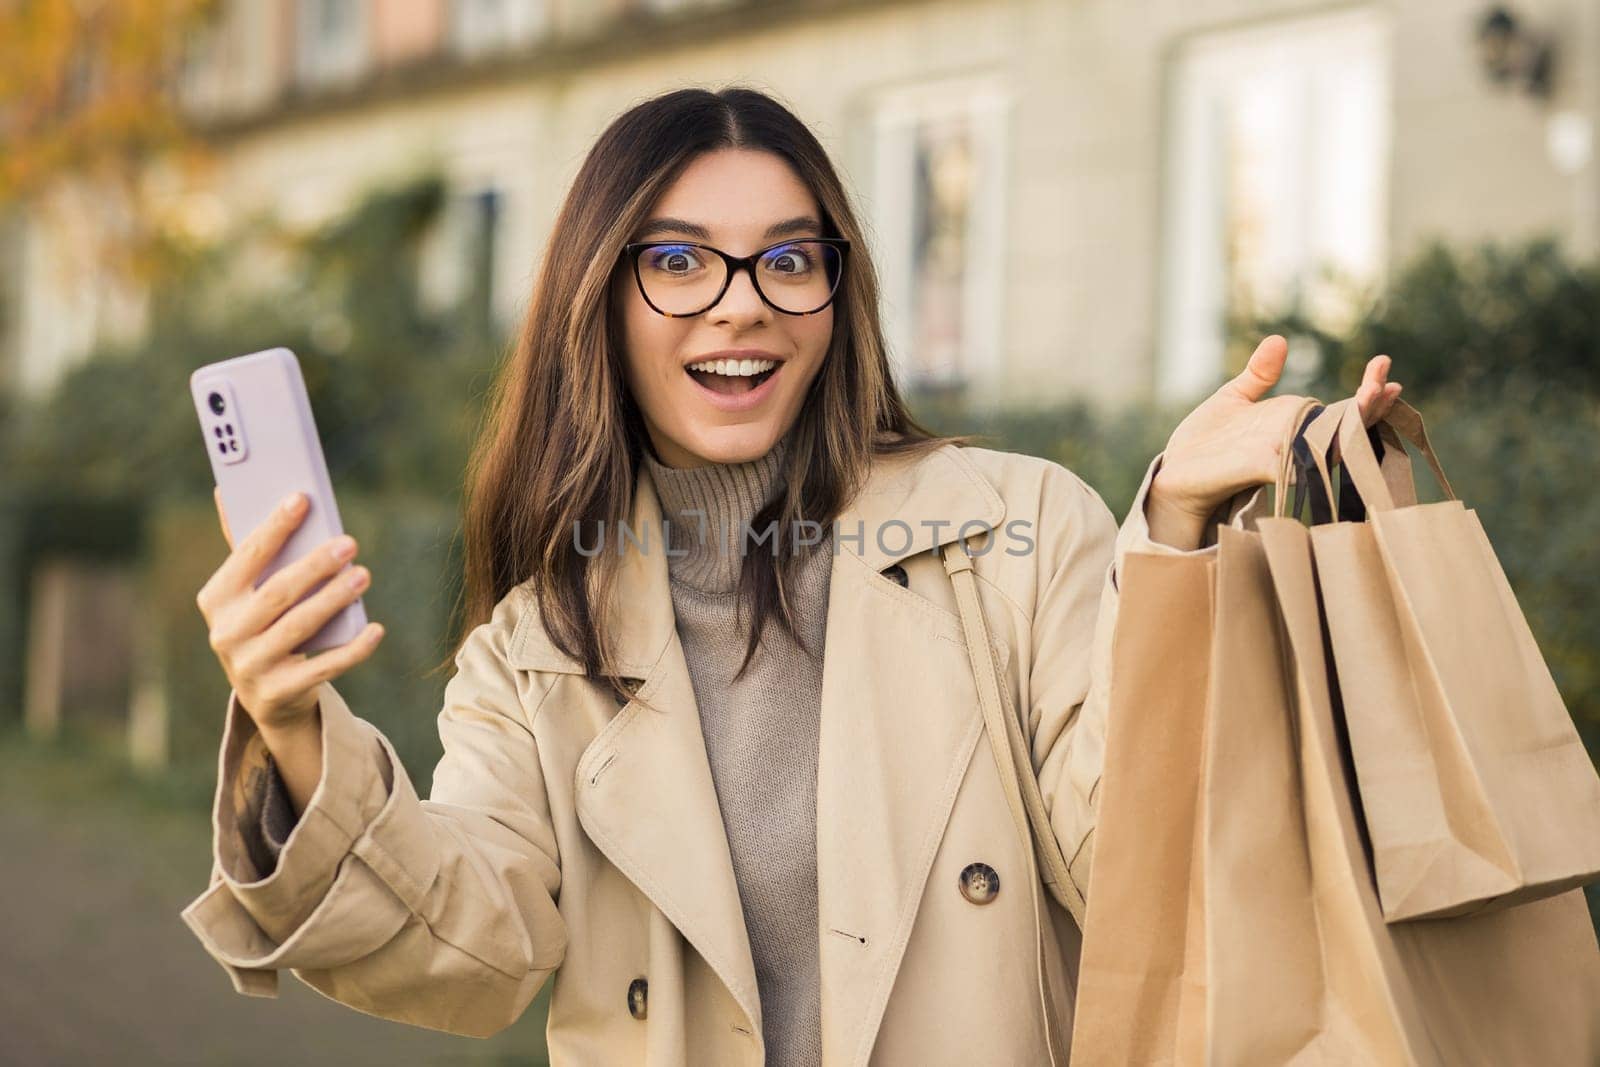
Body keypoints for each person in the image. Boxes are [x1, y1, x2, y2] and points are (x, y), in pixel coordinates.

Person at [182, 86, 1402, 1065]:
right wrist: (295, 729)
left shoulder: (1015, 523)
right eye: (679, 261)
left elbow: (1142, 866)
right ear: (597, 300)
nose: (740, 307)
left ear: (835, 291)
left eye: (787, 260)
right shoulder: (539, 641)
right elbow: (476, 949)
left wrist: (1177, 532)